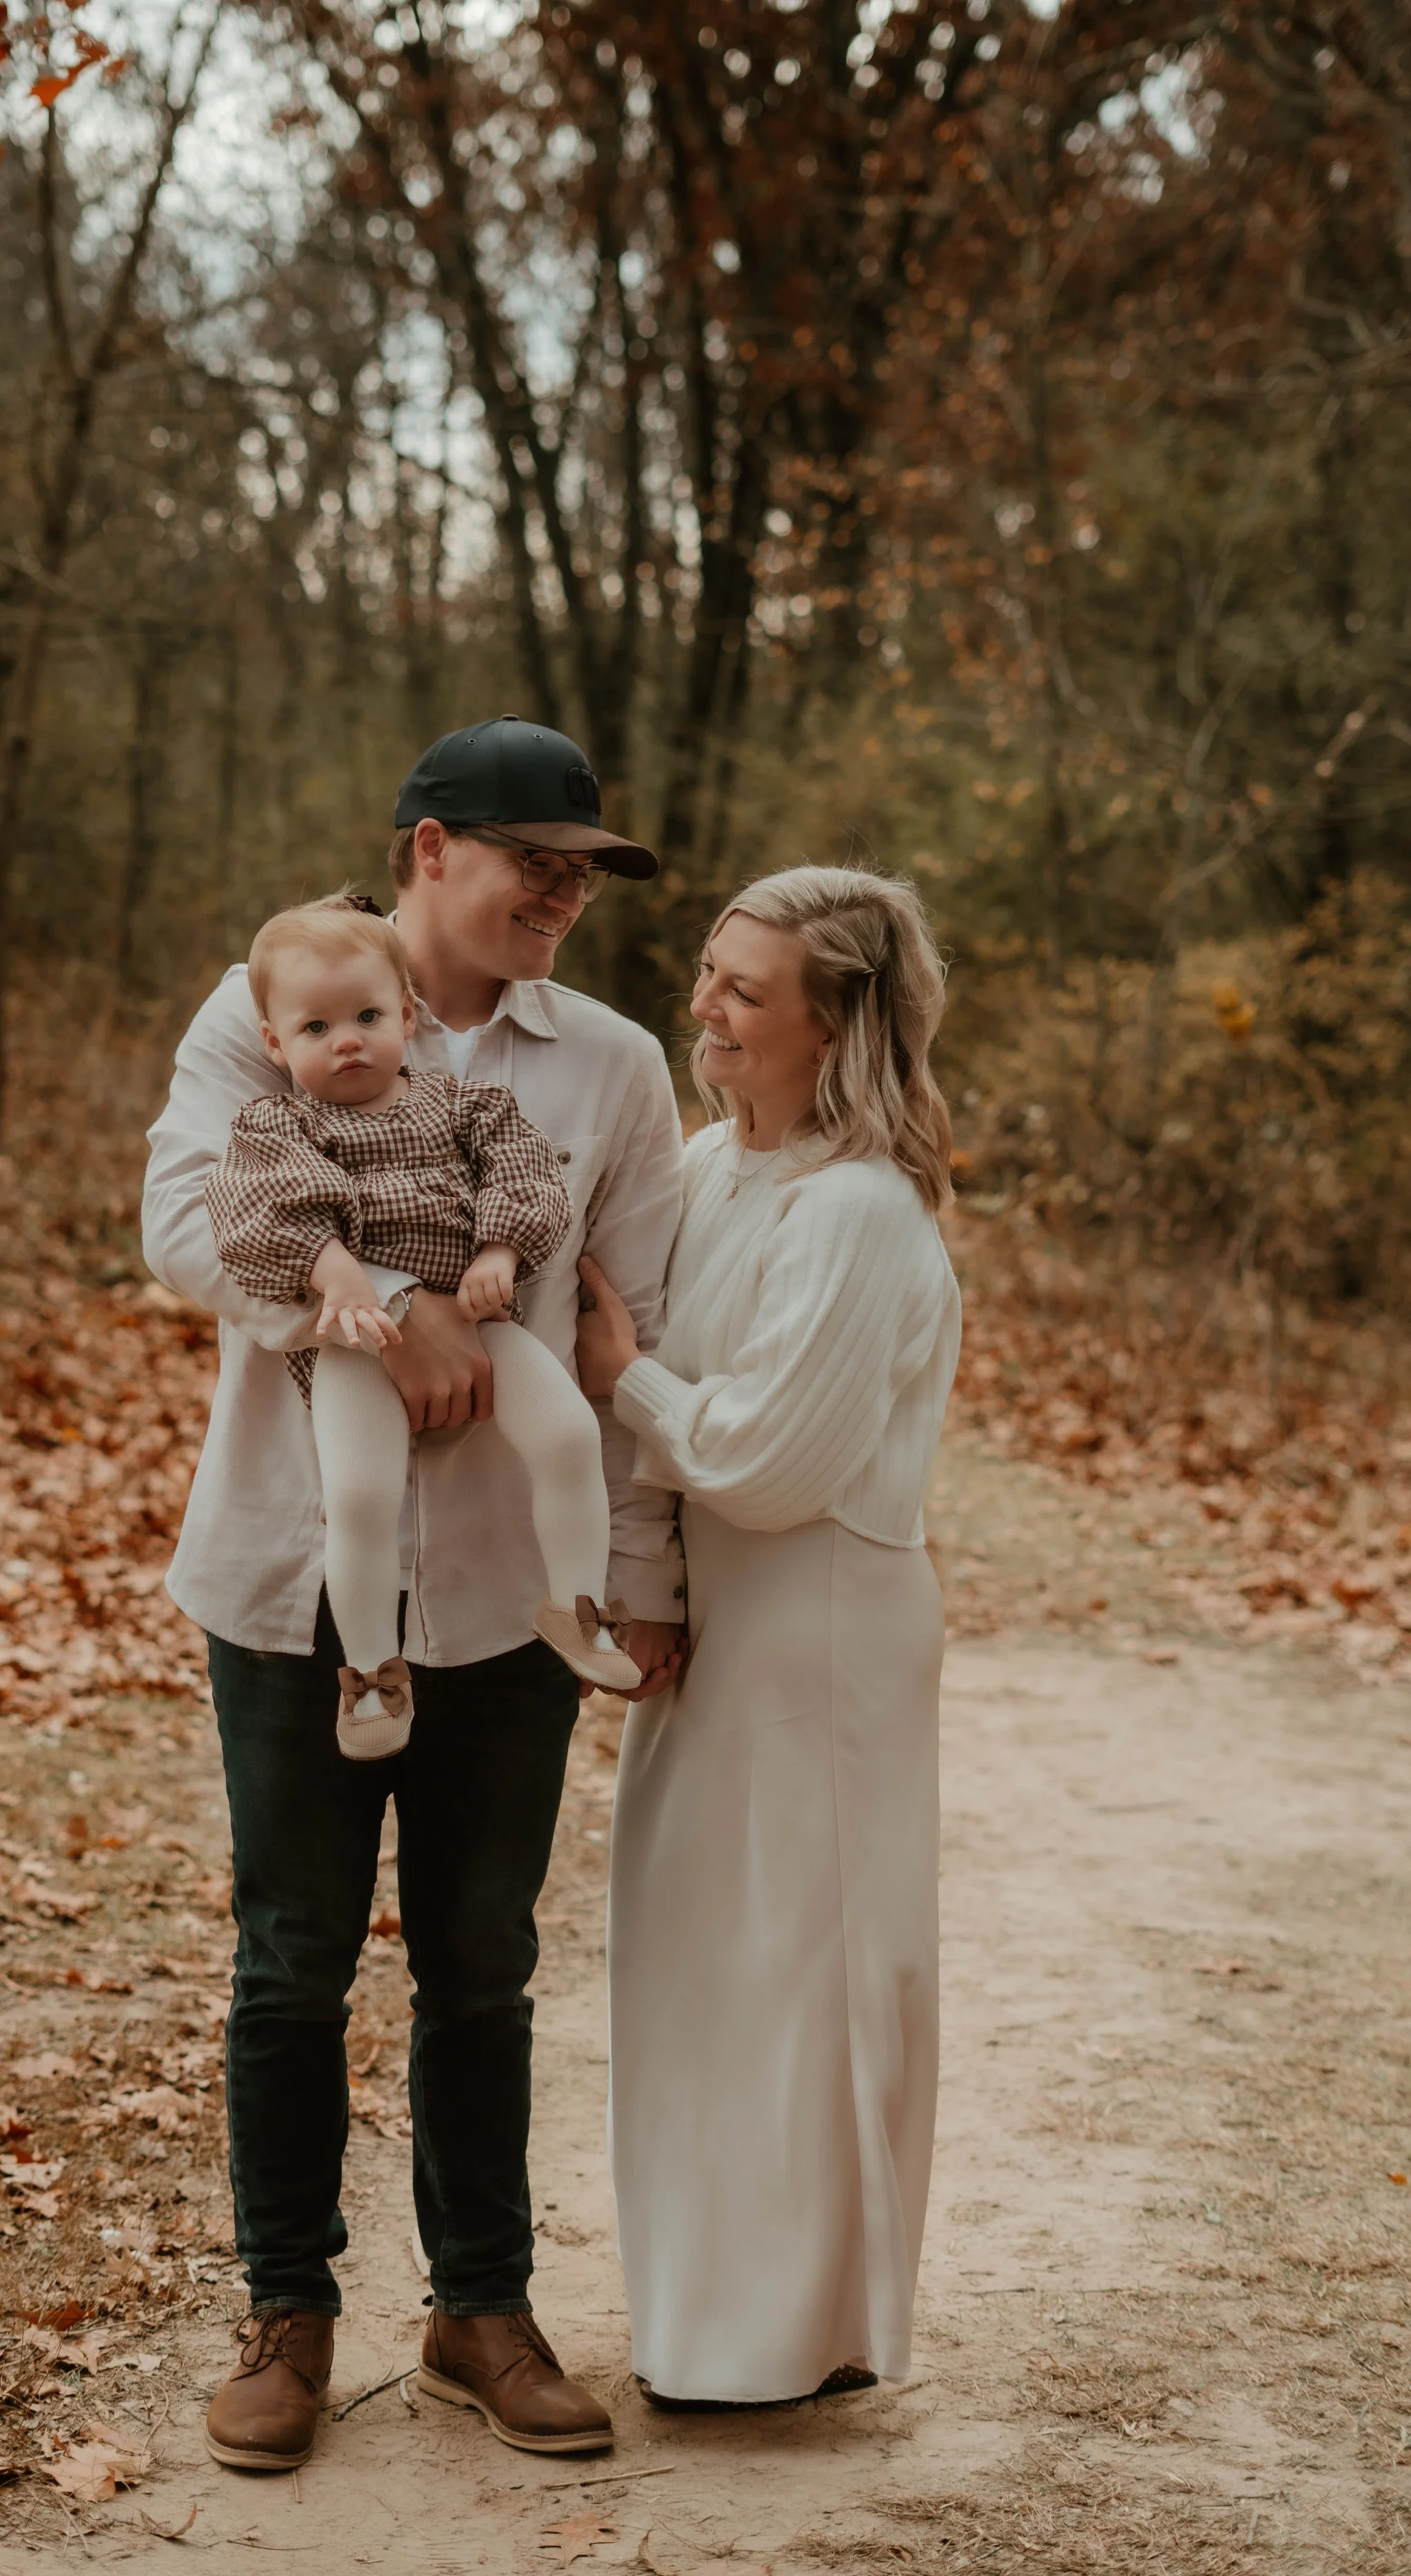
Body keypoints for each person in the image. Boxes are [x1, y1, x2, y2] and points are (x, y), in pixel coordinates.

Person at [140, 716, 687, 2472]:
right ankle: (286, 2309)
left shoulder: (609, 1064)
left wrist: (643, 1563)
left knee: (482, 1958)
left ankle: (480, 2306)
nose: (565, 896)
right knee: (293, 1963)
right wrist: (392, 1300)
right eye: (538, 861)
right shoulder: (275, 1003)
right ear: (430, 848)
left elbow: (638, 1318)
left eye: (587, 873)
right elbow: (177, 1225)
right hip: (299, 1571)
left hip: (520, 1592)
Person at [575, 863, 962, 2406]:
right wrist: (645, 1577)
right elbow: (690, 1438)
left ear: (836, 1021)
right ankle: (704, 2320)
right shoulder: (707, 1167)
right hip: (722, 1620)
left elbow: (769, 1459)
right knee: (692, 1958)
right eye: (708, 971)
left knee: (801, 1964)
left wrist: (626, 1380)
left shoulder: (858, 1212)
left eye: (745, 988)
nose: (704, 1004)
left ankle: (790, 2333)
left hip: (820, 1625)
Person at [204, 890, 641, 1761]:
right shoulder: (280, 1123)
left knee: (563, 1435)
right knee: (359, 1496)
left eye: (367, 1016)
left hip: (483, 1319)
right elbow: (267, 1214)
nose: (348, 1041)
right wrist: (344, 1279)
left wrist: (500, 1253)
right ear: (274, 1045)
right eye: (316, 1028)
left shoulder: (464, 1106)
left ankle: (578, 1607)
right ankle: (371, 1672)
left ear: (407, 1015)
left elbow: (526, 1177)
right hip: (355, 1340)